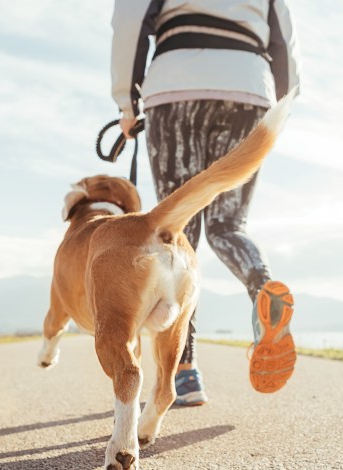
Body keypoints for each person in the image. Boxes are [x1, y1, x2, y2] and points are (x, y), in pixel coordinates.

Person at [111, 0, 301, 405]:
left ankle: (185, 371)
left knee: (176, 234)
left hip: (176, 86)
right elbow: (285, 41)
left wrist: (127, 103)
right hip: (250, 87)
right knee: (228, 225)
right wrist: (278, 106)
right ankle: (263, 287)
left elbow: (130, 20)